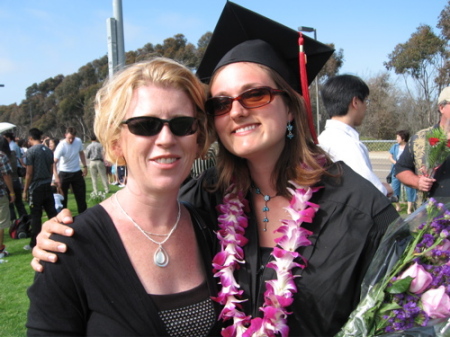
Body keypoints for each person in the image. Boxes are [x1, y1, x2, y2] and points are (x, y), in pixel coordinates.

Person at [31, 3, 399, 336]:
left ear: (290, 106)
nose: (237, 111)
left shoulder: (361, 212)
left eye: (255, 95)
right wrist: (66, 238)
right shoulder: (206, 201)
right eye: (221, 103)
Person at [27, 58, 221, 336]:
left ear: (197, 136)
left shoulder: (213, 229)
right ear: (116, 141)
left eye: (181, 124)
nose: (166, 138)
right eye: (145, 124)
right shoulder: (68, 246)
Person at [318, 74, 393, 196]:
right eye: (366, 101)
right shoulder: (348, 145)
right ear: (356, 102)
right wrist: (386, 189)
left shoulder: (322, 139)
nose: (366, 107)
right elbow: (370, 191)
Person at [395, 86, 450, 202]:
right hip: (430, 215)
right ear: (441, 107)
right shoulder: (420, 139)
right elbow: (400, 169)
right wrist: (417, 182)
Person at [22, 128, 58, 250]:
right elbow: (50, 168)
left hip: (36, 187)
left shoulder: (30, 152)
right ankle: (58, 236)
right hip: (47, 184)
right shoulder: (48, 151)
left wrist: (25, 189)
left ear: (30, 138)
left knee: (36, 216)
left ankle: (35, 242)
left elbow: (29, 173)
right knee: (52, 213)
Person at [53, 127, 88, 214]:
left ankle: (83, 218)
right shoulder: (61, 146)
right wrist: (56, 177)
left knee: (81, 198)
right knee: (63, 199)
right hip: (64, 173)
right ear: (65, 135)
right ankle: (63, 218)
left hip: (76, 172)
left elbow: (81, 153)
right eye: (69, 138)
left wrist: (85, 166)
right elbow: (53, 162)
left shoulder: (78, 141)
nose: (71, 140)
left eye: (73, 138)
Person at [388, 130, 417, 213]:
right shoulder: (395, 147)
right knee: (395, 189)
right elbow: (390, 157)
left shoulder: (410, 147)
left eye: (398, 137)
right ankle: (398, 206)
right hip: (396, 170)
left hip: (408, 171)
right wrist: (397, 163)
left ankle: (409, 209)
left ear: (403, 138)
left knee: (410, 189)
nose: (396, 138)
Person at [0, 137, 15, 259]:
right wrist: (12, 192)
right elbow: (6, 176)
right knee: (1, 222)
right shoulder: (2, 156)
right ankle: (0, 250)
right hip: (0, 193)